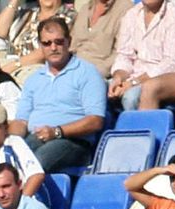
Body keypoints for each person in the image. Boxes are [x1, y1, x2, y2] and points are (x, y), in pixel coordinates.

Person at [10, 17, 107, 172]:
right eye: (47, 43)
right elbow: (21, 121)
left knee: (35, 163)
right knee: (8, 163)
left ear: (69, 41)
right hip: (36, 137)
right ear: (40, 45)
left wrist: (57, 132)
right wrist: (10, 142)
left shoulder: (87, 73)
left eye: (59, 41)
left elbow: (95, 121)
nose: (53, 47)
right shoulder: (34, 79)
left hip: (73, 141)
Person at [107, 0, 175, 113]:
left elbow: (172, 64)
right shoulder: (131, 14)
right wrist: (118, 78)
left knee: (131, 97)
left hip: (160, 79)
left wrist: (134, 83)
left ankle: (135, 129)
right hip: (132, 76)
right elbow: (124, 55)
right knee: (98, 88)